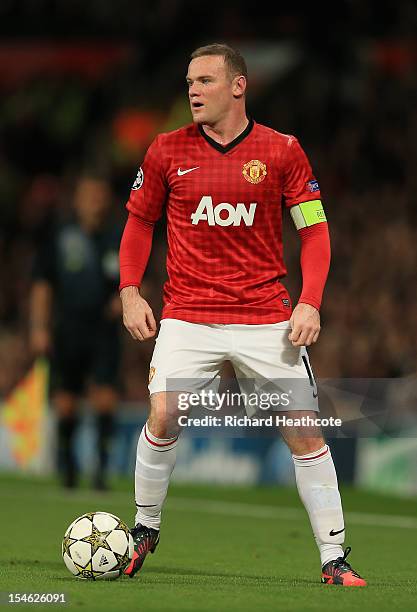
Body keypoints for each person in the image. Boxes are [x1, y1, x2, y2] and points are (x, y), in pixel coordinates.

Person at [119, 43, 366, 586]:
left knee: (305, 432)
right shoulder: (165, 151)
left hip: (265, 317)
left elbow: (315, 230)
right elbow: (139, 224)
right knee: (163, 416)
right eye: (188, 81)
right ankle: (144, 529)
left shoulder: (282, 152)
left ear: (238, 86)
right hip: (188, 314)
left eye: (204, 80)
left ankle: (334, 557)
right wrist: (130, 291)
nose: (192, 90)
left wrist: (310, 300)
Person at [30, 174, 122, 490]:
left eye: (100, 195)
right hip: (67, 328)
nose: (95, 202)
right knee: (66, 401)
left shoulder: (118, 237)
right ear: (78, 200)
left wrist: (126, 300)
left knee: (106, 399)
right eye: (89, 195)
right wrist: (40, 327)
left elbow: (138, 280)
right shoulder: (61, 237)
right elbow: (43, 285)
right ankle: (68, 464)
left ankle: (101, 471)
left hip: (104, 330)